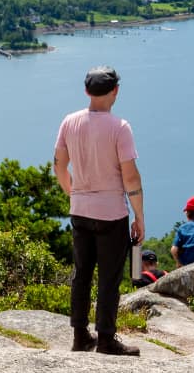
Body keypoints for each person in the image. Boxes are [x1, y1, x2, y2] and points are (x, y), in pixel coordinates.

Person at [53, 66, 145, 356]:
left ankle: (80, 335)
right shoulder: (120, 127)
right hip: (111, 214)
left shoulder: (69, 122)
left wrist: (73, 192)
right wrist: (139, 216)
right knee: (108, 277)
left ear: (86, 91)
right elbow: (130, 177)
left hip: (80, 209)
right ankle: (105, 338)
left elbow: (59, 165)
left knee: (81, 274)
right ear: (115, 91)